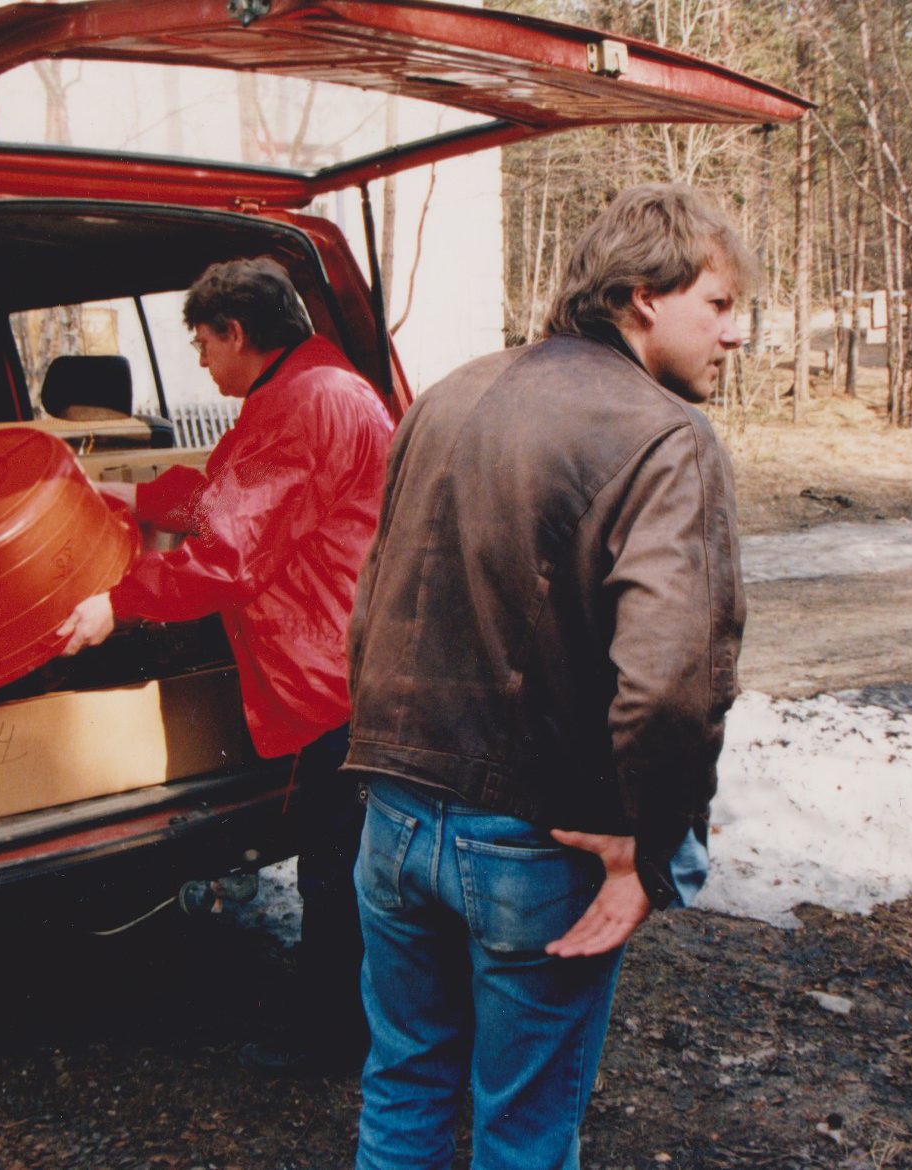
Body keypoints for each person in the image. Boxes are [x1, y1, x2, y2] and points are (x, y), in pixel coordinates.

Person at [342, 184, 748, 1170]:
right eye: (720, 303)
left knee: (402, 1087)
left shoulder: (447, 394)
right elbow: (669, 683)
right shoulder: (665, 436)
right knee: (524, 1131)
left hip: (391, 824)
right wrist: (643, 850)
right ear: (643, 293)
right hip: (530, 842)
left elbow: (369, 602)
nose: (735, 335)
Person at [57, 256, 392, 1075]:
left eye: (204, 344)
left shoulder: (302, 408)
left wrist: (118, 601)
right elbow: (222, 496)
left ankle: (332, 1037)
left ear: (237, 333)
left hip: (330, 670)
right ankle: (361, 1019)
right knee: (355, 862)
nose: (201, 362)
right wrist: (132, 499)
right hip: (357, 658)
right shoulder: (313, 387)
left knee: (335, 870)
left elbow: (229, 553)